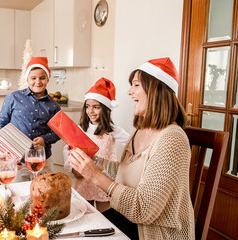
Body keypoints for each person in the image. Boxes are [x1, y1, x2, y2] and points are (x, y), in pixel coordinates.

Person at [69, 58, 195, 239]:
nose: (129, 91)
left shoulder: (172, 139)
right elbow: (124, 171)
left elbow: (143, 210)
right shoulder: (139, 129)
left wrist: (95, 176)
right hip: (128, 220)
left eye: (136, 85)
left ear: (156, 90)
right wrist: (92, 160)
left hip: (155, 233)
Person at [63, 77, 129, 212]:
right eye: (87, 106)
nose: (90, 111)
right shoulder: (81, 129)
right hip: (84, 179)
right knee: (84, 212)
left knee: (106, 215)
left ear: (105, 109)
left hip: (104, 180)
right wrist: (72, 168)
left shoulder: (113, 130)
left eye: (96, 107)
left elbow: (132, 143)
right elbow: (67, 150)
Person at [0, 57, 60, 181]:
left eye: (42, 78)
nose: (38, 82)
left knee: (43, 194)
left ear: (48, 79)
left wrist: (44, 140)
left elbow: (59, 132)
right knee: (17, 194)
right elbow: (1, 124)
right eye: (33, 78)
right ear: (27, 79)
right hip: (17, 161)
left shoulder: (54, 105)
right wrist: (1, 150)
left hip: (43, 161)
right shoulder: (13, 98)